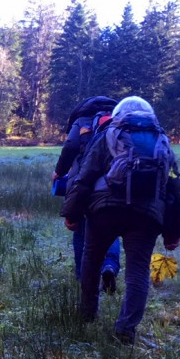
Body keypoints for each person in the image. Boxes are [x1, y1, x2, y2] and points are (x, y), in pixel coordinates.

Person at [62, 96, 180, 345]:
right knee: (138, 271)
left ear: (119, 113)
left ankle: (87, 314)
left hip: (104, 210)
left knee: (92, 259)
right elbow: (175, 188)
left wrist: (72, 213)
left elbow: (84, 177)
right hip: (146, 216)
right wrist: (173, 233)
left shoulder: (108, 134)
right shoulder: (161, 141)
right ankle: (126, 329)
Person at [53, 96, 122, 291]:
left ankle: (82, 276)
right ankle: (110, 266)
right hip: (112, 181)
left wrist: (59, 171)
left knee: (80, 229)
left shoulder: (81, 121)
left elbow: (70, 147)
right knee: (112, 229)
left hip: (82, 182)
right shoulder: (119, 119)